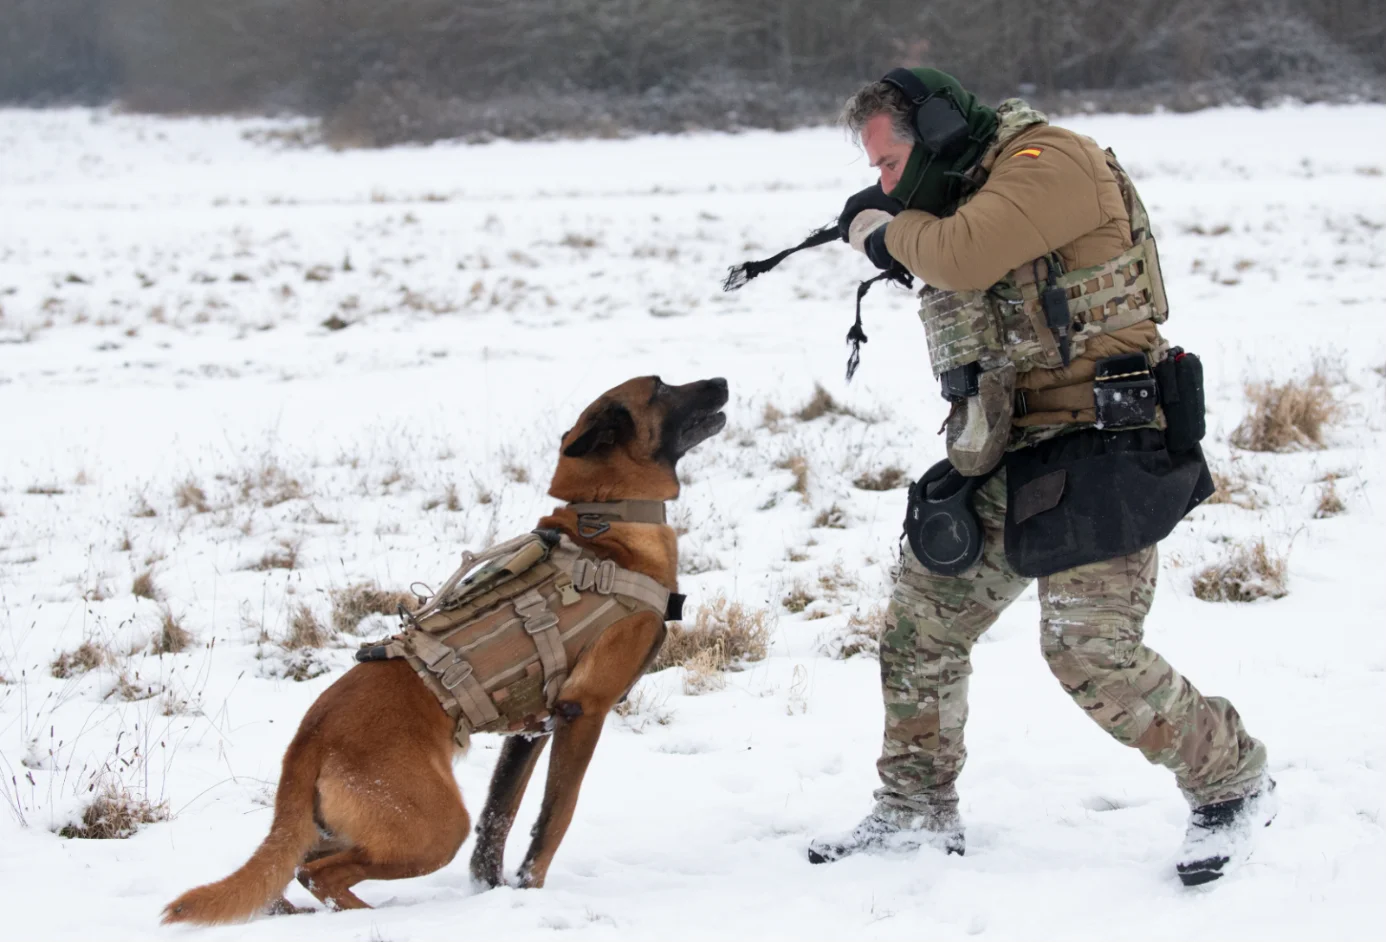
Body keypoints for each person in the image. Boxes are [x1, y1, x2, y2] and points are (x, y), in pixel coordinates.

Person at [807, 67, 1272, 887]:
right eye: (875, 172)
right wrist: (890, 219)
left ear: (943, 129)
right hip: (1014, 445)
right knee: (922, 622)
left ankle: (1232, 780)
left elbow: (963, 253)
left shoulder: (1051, 162)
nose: (882, 183)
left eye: (887, 164)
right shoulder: (969, 188)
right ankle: (915, 807)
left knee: (1087, 650)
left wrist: (883, 230)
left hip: (1107, 442)